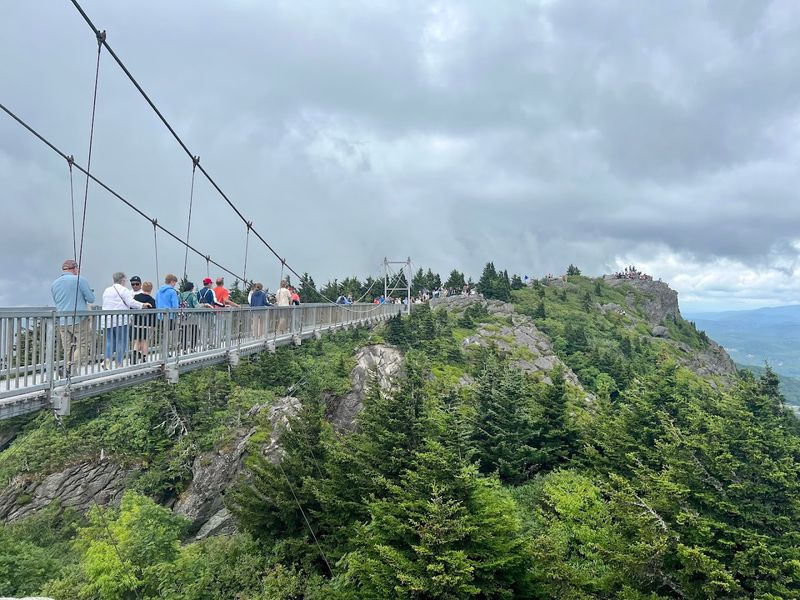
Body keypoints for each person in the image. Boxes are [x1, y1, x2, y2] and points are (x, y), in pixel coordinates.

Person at [51, 259, 95, 376]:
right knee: (85, 345)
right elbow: (91, 299)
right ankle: (69, 369)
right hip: (78, 319)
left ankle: (70, 373)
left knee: (67, 348)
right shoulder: (80, 280)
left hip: (62, 321)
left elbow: (56, 301)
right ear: (75, 268)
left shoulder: (54, 283)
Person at [102, 272, 149, 369]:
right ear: (123, 280)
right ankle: (119, 364)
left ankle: (106, 361)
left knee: (110, 341)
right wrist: (142, 305)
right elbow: (131, 302)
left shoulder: (107, 290)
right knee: (121, 341)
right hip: (120, 320)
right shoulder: (124, 290)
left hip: (107, 320)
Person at [132, 280, 156, 363]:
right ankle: (143, 357)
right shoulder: (152, 300)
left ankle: (134, 354)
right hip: (147, 324)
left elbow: (132, 307)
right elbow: (154, 313)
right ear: (151, 289)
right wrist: (154, 325)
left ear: (142, 287)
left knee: (137, 340)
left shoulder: (136, 297)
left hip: (136, 323)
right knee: (144, 341)